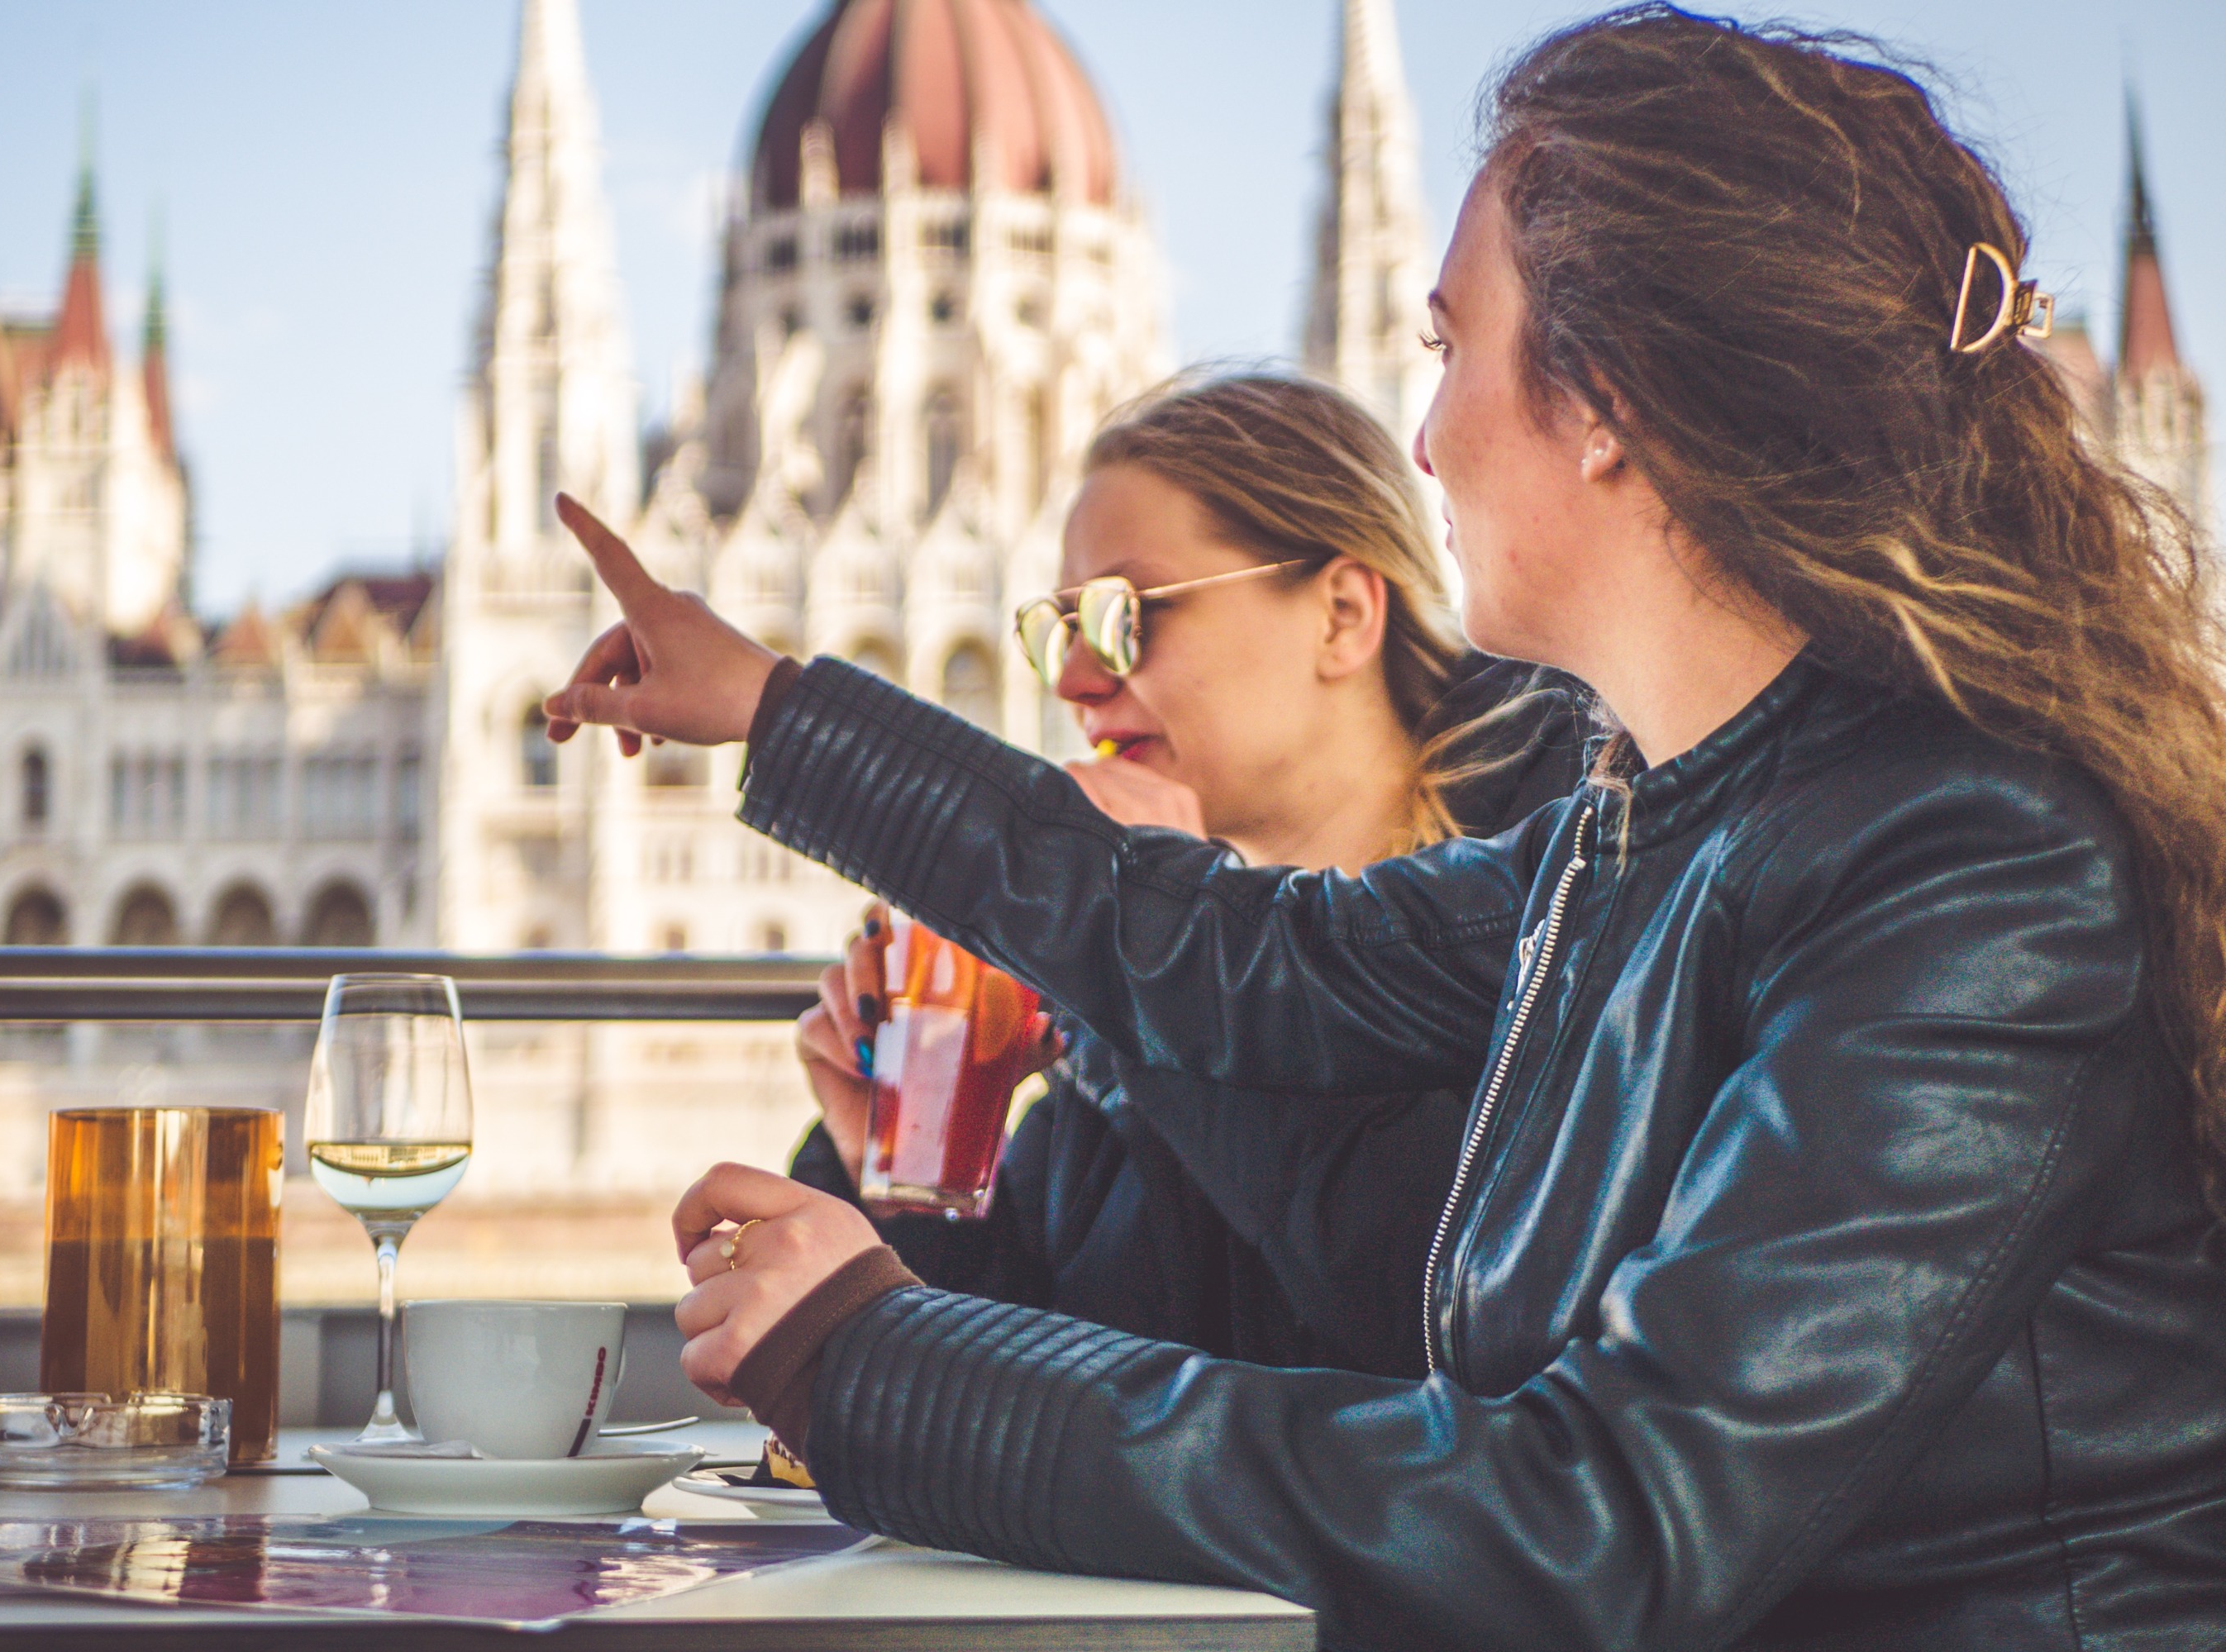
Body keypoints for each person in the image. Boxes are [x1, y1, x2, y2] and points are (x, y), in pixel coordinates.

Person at [546, 9, 2226, 1647]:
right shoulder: (1637, 834)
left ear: (1610, 403)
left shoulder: (1983, 874)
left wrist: (878, 1360)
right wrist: (777, 715)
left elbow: (1599, 1524)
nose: (1416, 439)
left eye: (1447, 346)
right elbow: (1233, 955)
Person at [789, 374, 1581, 1377]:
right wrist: (913, 1194)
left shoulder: (1558, 891)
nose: (1078, 683)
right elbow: (1064, 1367)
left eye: (1127, 615)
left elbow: (1437, 1317)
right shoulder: (1117, 981)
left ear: (1340, 614)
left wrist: (1153, 927)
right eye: (1057, 631)